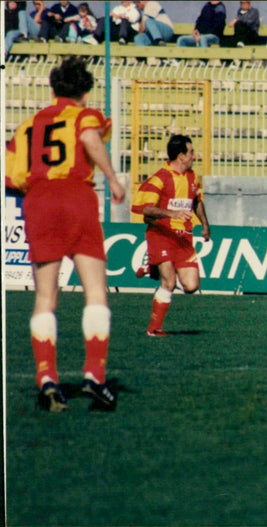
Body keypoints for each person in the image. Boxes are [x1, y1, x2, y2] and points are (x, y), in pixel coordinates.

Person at [4, 57, 126, 412]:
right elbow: (89, 137)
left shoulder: (28, 125)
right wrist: (113, 178)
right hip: (75, 196)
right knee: (95, 290)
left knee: (45, 297)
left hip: (38, 201)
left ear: (54, 88)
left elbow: (11, 177)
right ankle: (94, 374)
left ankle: (47, 379)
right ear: (85, 92)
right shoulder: (83, 115)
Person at [131, 135, 211, 337]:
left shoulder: (193, 177)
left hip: (184, 238)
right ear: (181, 156)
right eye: (191, 152)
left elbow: (196, 202)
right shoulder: (160, 178)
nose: (195, 155)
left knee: (192, 286)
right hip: (162, 235)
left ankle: (152, 268)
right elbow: (144, 209)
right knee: (169, 282)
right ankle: (154, 329)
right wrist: (171, 214)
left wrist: (205, 225)